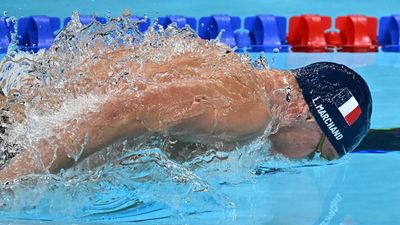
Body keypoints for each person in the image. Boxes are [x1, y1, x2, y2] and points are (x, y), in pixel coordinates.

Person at [0, 39, 372, 183]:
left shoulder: (231, 69)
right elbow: (129, 109)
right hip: (17, 141)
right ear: (306, 114)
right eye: (319, 152)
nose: (302, 159)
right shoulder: (254, 112)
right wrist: (11, 183)